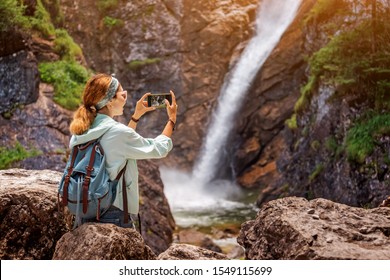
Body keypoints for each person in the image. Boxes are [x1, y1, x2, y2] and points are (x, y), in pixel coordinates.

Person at [68, 73, 177, 228]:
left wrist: (136, 117)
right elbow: (159, 148)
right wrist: (171, 120)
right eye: (122, 94)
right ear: (110, 101)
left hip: (84, 209)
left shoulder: (83, 129)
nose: (126, 97)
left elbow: (118, 144)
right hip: (112, 213)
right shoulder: (118, 133)